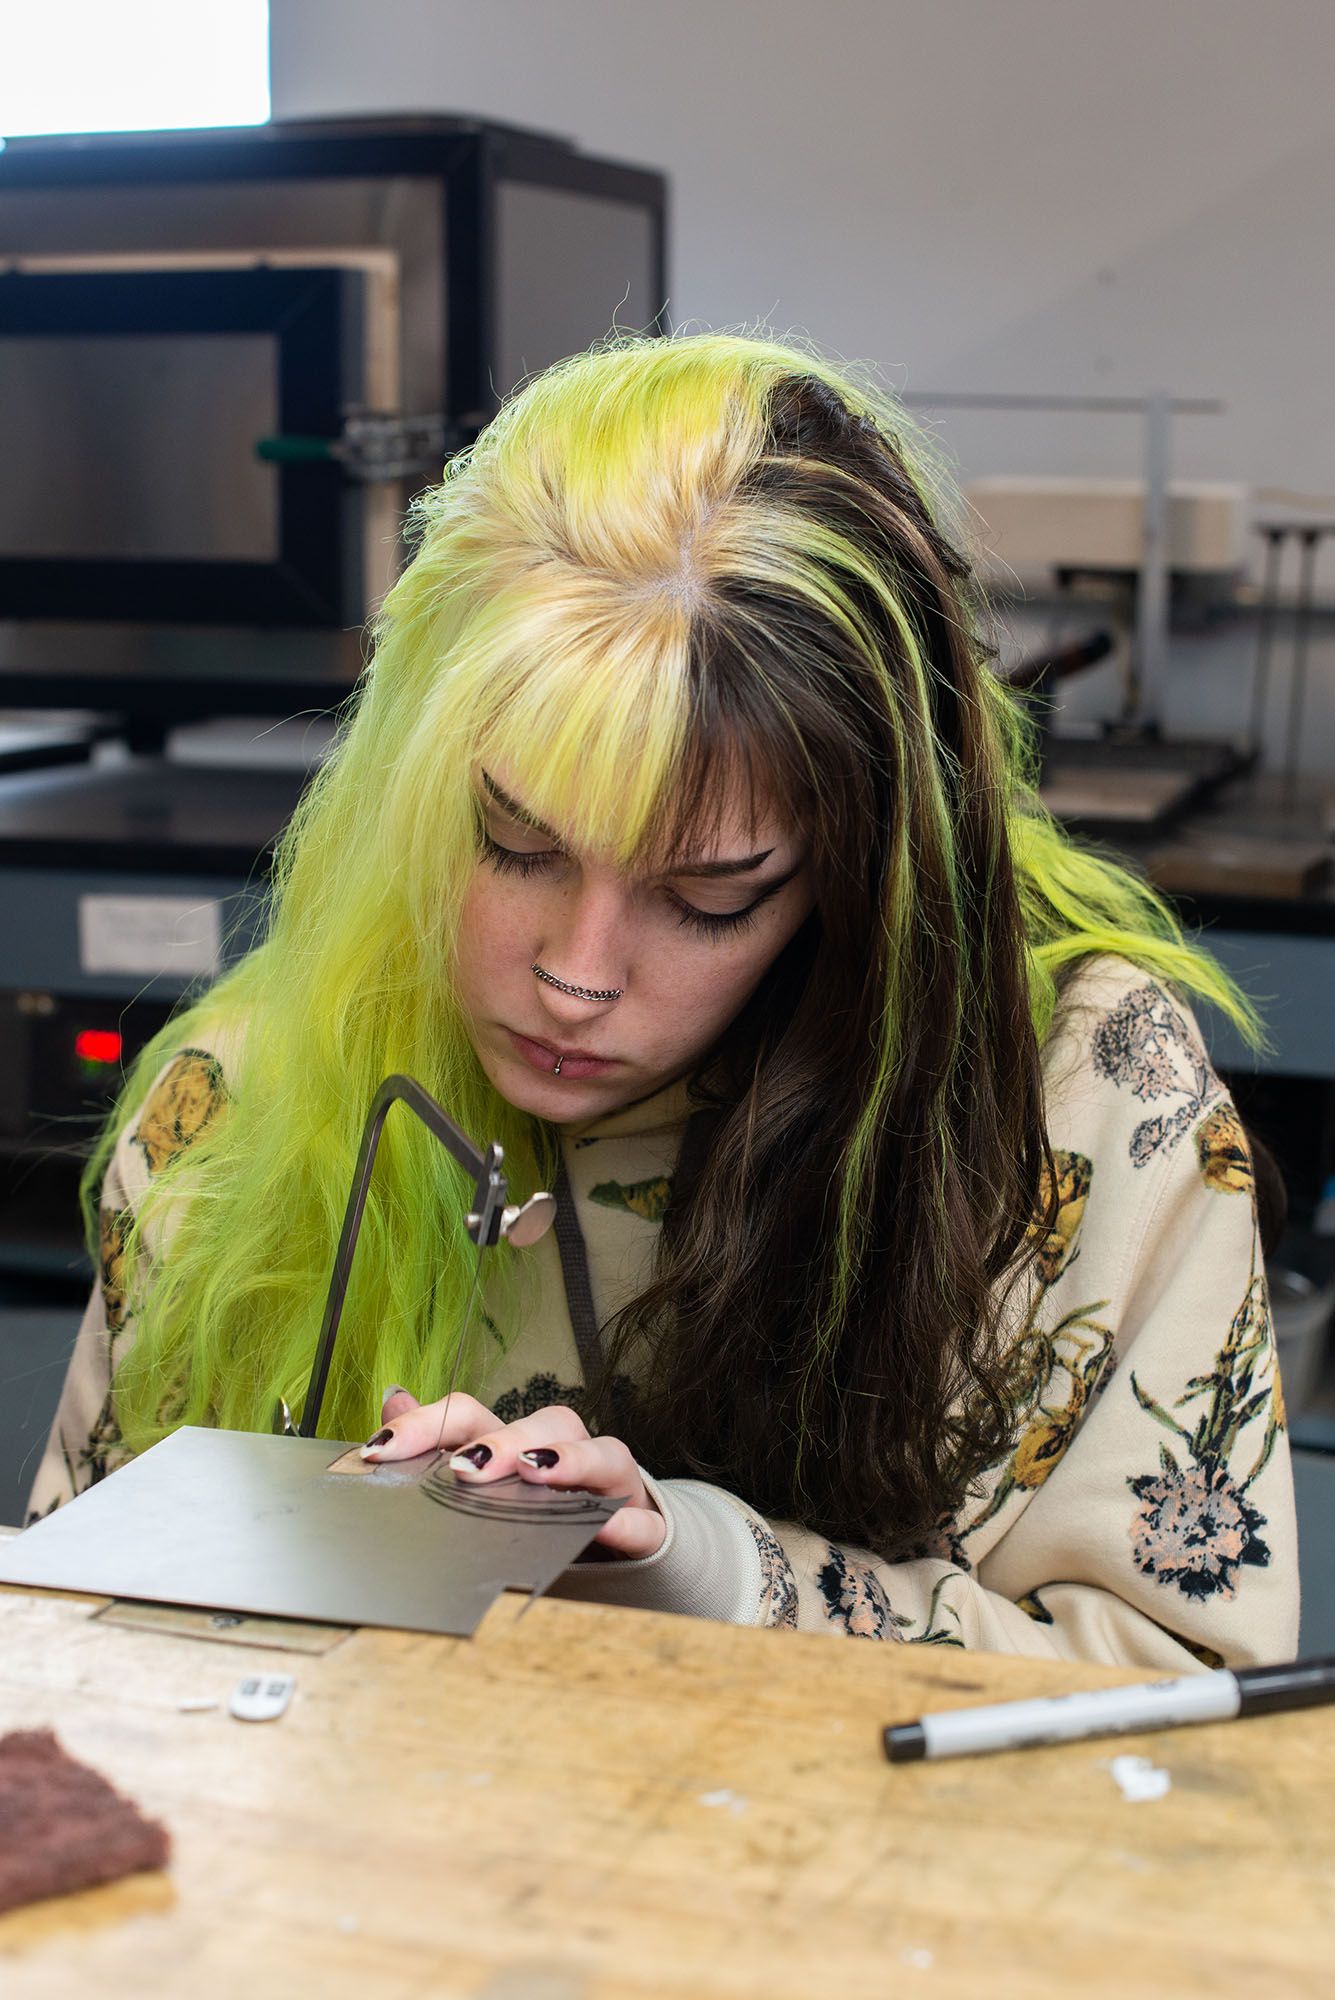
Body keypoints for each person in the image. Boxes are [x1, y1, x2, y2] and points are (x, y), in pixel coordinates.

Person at [28, 333, 1297, 1669]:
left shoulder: (1080, 1092)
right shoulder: (237, 1099)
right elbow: (63, 1656)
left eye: (711, 895)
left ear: (857, 871)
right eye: (513, 844)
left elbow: (1179, 1709)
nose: (578, 975)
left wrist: (701, 1573)